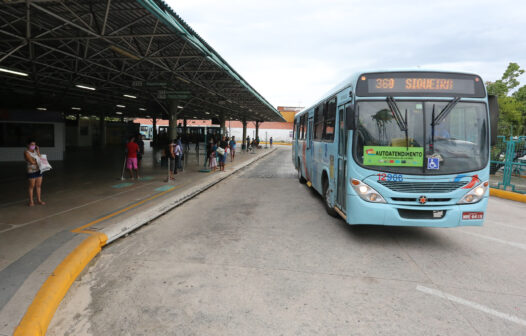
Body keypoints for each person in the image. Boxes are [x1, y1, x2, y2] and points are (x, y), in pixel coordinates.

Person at [24, 139, 45, 206]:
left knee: (38, 186)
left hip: (39, 170)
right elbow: (31, 162)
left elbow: (40, 157)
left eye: (34, 144)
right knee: (31, 186)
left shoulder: (36, 151)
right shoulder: (26, 152)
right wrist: (39, 161)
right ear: (28, 145)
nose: (33, 146)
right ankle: (31, 201)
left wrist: (38, 151)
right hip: (31, 171)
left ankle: (39, 200)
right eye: (32, 144)